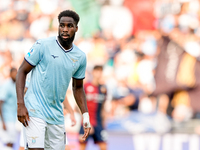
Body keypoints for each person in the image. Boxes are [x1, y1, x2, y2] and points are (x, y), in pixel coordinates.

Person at [16, 10, 91, 150]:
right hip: (34, 110)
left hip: (56, 115)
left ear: (76, 28)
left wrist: (85, 115)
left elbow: (78, 88)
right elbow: (22, 71)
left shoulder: (80, 57)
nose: (65, 29)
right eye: (62, 25)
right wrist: (20, 104)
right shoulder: (42, 45)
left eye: (69, 26)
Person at [79, 65, 107, 150]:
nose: (98, 73)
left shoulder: (103, 89)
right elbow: (79, 105)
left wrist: (104, 123)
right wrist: (85, 122)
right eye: (97, 71)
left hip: (98, 122)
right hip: (86, 122)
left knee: (104, 146)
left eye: (100, 71)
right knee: (82, 146)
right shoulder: (86, 86)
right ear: (93, 72)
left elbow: (103, 107)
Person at [0, 67, 18, 150]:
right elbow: (0, 103)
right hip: (6, 119)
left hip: (13, 118)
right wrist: (3, 121)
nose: (15, 75)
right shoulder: (6, 85)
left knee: (12, 142)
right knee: (7, 142)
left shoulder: (16, 85)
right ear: (10, 74)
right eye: (14, 73)